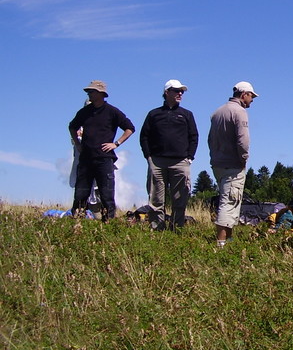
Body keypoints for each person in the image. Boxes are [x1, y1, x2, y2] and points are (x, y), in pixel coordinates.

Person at [68, 80, 135, 221]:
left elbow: (130, 128)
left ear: (101, 93)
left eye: (91, 92)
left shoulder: (112, 112)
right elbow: (72, 126)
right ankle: (77, 222)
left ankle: (108, 223)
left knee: (106, 194)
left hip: (104, 159)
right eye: (88, 92)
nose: (89, 94)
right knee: (81, 193)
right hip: (86, 158)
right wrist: (77, 143)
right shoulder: (84, 112)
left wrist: (116, 143)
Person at [140, 79, 199, 231]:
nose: (180, 93)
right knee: (156, 199)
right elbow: (144, 136)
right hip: (157, 161)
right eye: (177, 90)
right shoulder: (154, 114)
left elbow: (194, 136)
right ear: (167, 92)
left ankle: (176, 229)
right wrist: (149, 157)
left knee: (180, 199)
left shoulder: (187, 114)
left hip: (180, 162)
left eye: (182, 91)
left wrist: (189, 157)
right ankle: (157, 229)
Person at [209, 81, 258, 248]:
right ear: (244, 94)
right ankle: (221, 243)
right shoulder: (240, 112)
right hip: (233, 165)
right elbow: (243, 140)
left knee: (228, 199)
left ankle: (229, 240)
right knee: (229, 202)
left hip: (218, 164)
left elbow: (210, 140)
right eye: (251, 96)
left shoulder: (217, 113)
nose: (252, 100)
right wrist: (243, 158)